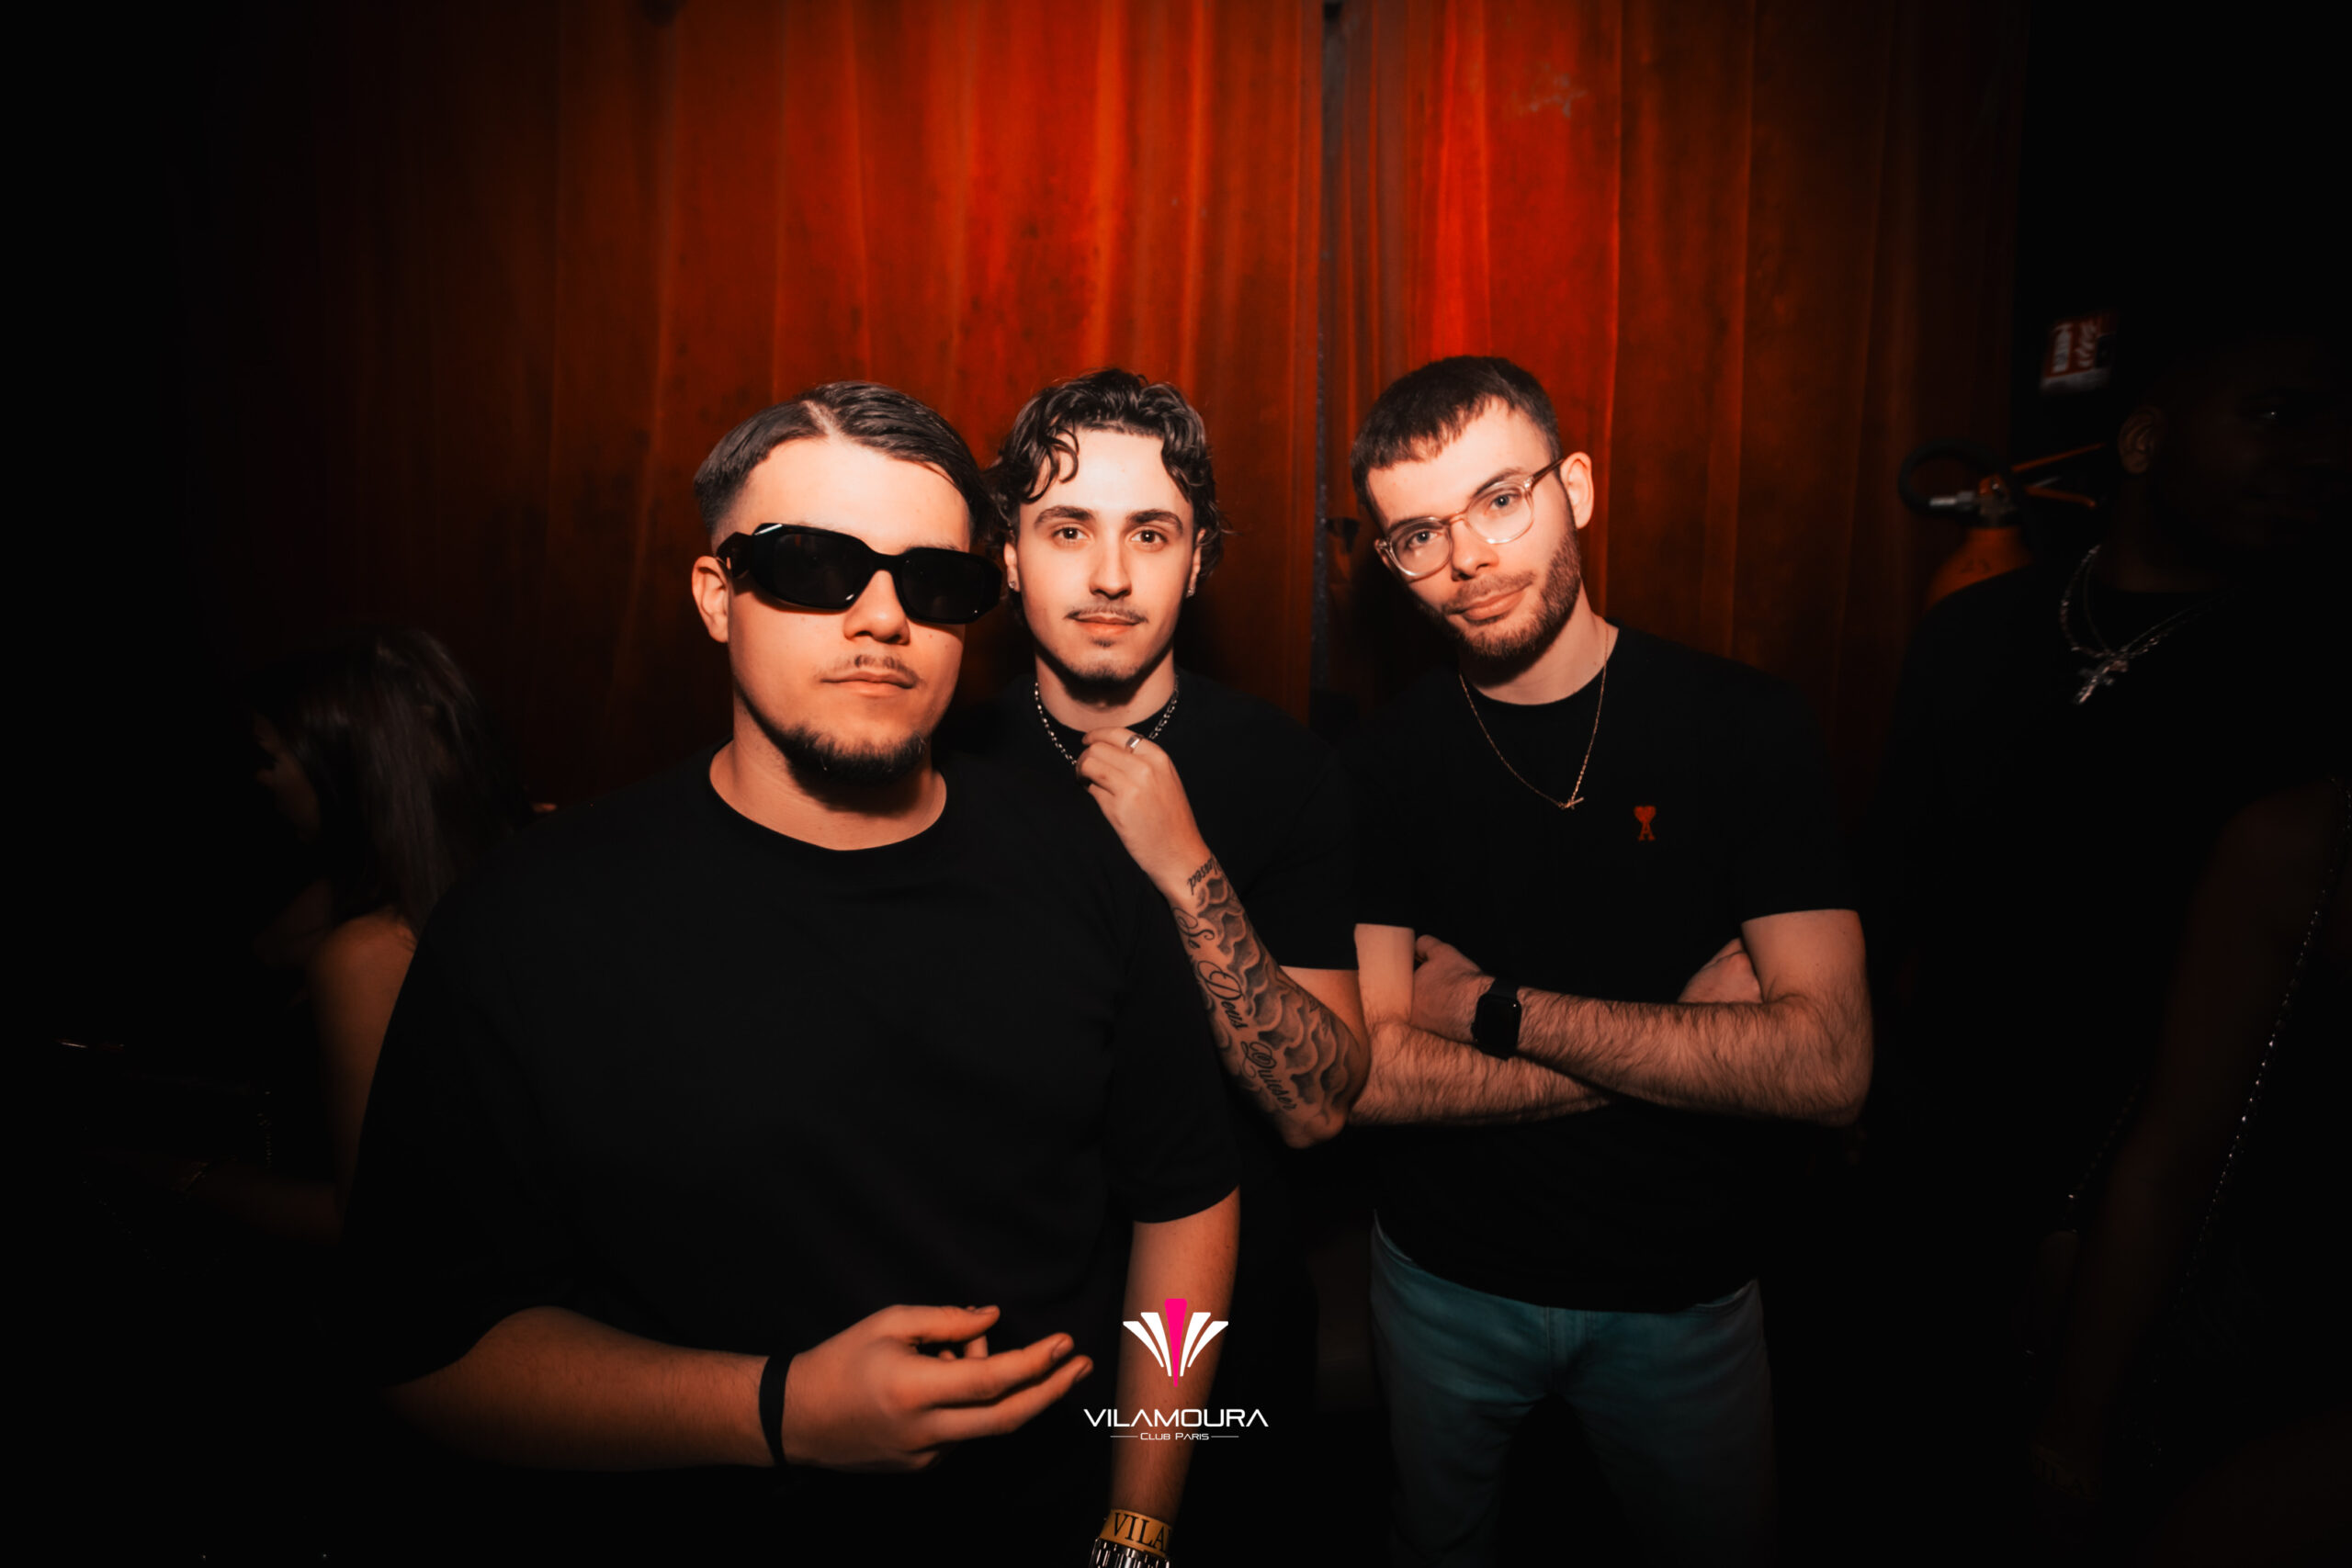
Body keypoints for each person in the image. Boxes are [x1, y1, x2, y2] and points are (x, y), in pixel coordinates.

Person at [340, 382, 1240, 1560]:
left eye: (933, 581)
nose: (882, 618)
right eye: (815, 567)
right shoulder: (525, 923)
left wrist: (1139, 1526)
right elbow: (422, 1351)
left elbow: (1185, 1203)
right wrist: (778, 1413)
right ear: (717, 595)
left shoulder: (1084, 863)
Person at [1342, 355, 1871, 1567]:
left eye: (1500, 500)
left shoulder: (1744, 726)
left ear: (1574, 487)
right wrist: (1696, 1049)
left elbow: (1830, 1069)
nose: (1467, 557)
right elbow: (1364, 1077)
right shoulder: (1375, 766)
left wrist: (1493, 1008)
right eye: (1418, 533)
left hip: (1684, 1289)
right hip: (1443, 1283)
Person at [1862, 310, 2349, 1542]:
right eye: (2277, 415)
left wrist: (2088, 1220)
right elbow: (1878, 909)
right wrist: (1872, 1145)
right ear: (2142, 439)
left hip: (2166, 1234)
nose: (2319, 455)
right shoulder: (1974, 634)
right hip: (1929, 1180)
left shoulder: (2313, 678)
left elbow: (2276, 1043)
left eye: (2336, 428)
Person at [949, 367, 1366, 1552]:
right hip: (987, 1333)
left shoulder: (1286, 771)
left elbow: (1319, 1107)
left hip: (1223, 1341)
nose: (1110, 575)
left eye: (1151, 533)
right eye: (1066, 529)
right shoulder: (940, 763)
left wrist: (1184, 866)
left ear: (1198, 561)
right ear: (1008, 555)